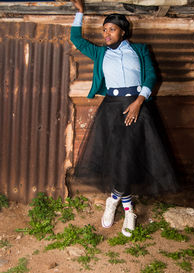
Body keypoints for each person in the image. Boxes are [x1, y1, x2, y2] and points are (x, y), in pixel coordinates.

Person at [70, 0, 178, 237]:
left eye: (111, 29)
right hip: (111, 109)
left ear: (123, 31)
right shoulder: (99, 52)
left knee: (129, 157)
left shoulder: (139, 50)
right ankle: (126, 207)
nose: (106, 33)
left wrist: (139, 102)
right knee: (117, 157)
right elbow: (76, 40)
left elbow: (151, 76)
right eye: (104, 29)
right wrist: (80, 13)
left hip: (137, 107)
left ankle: (116, 202)